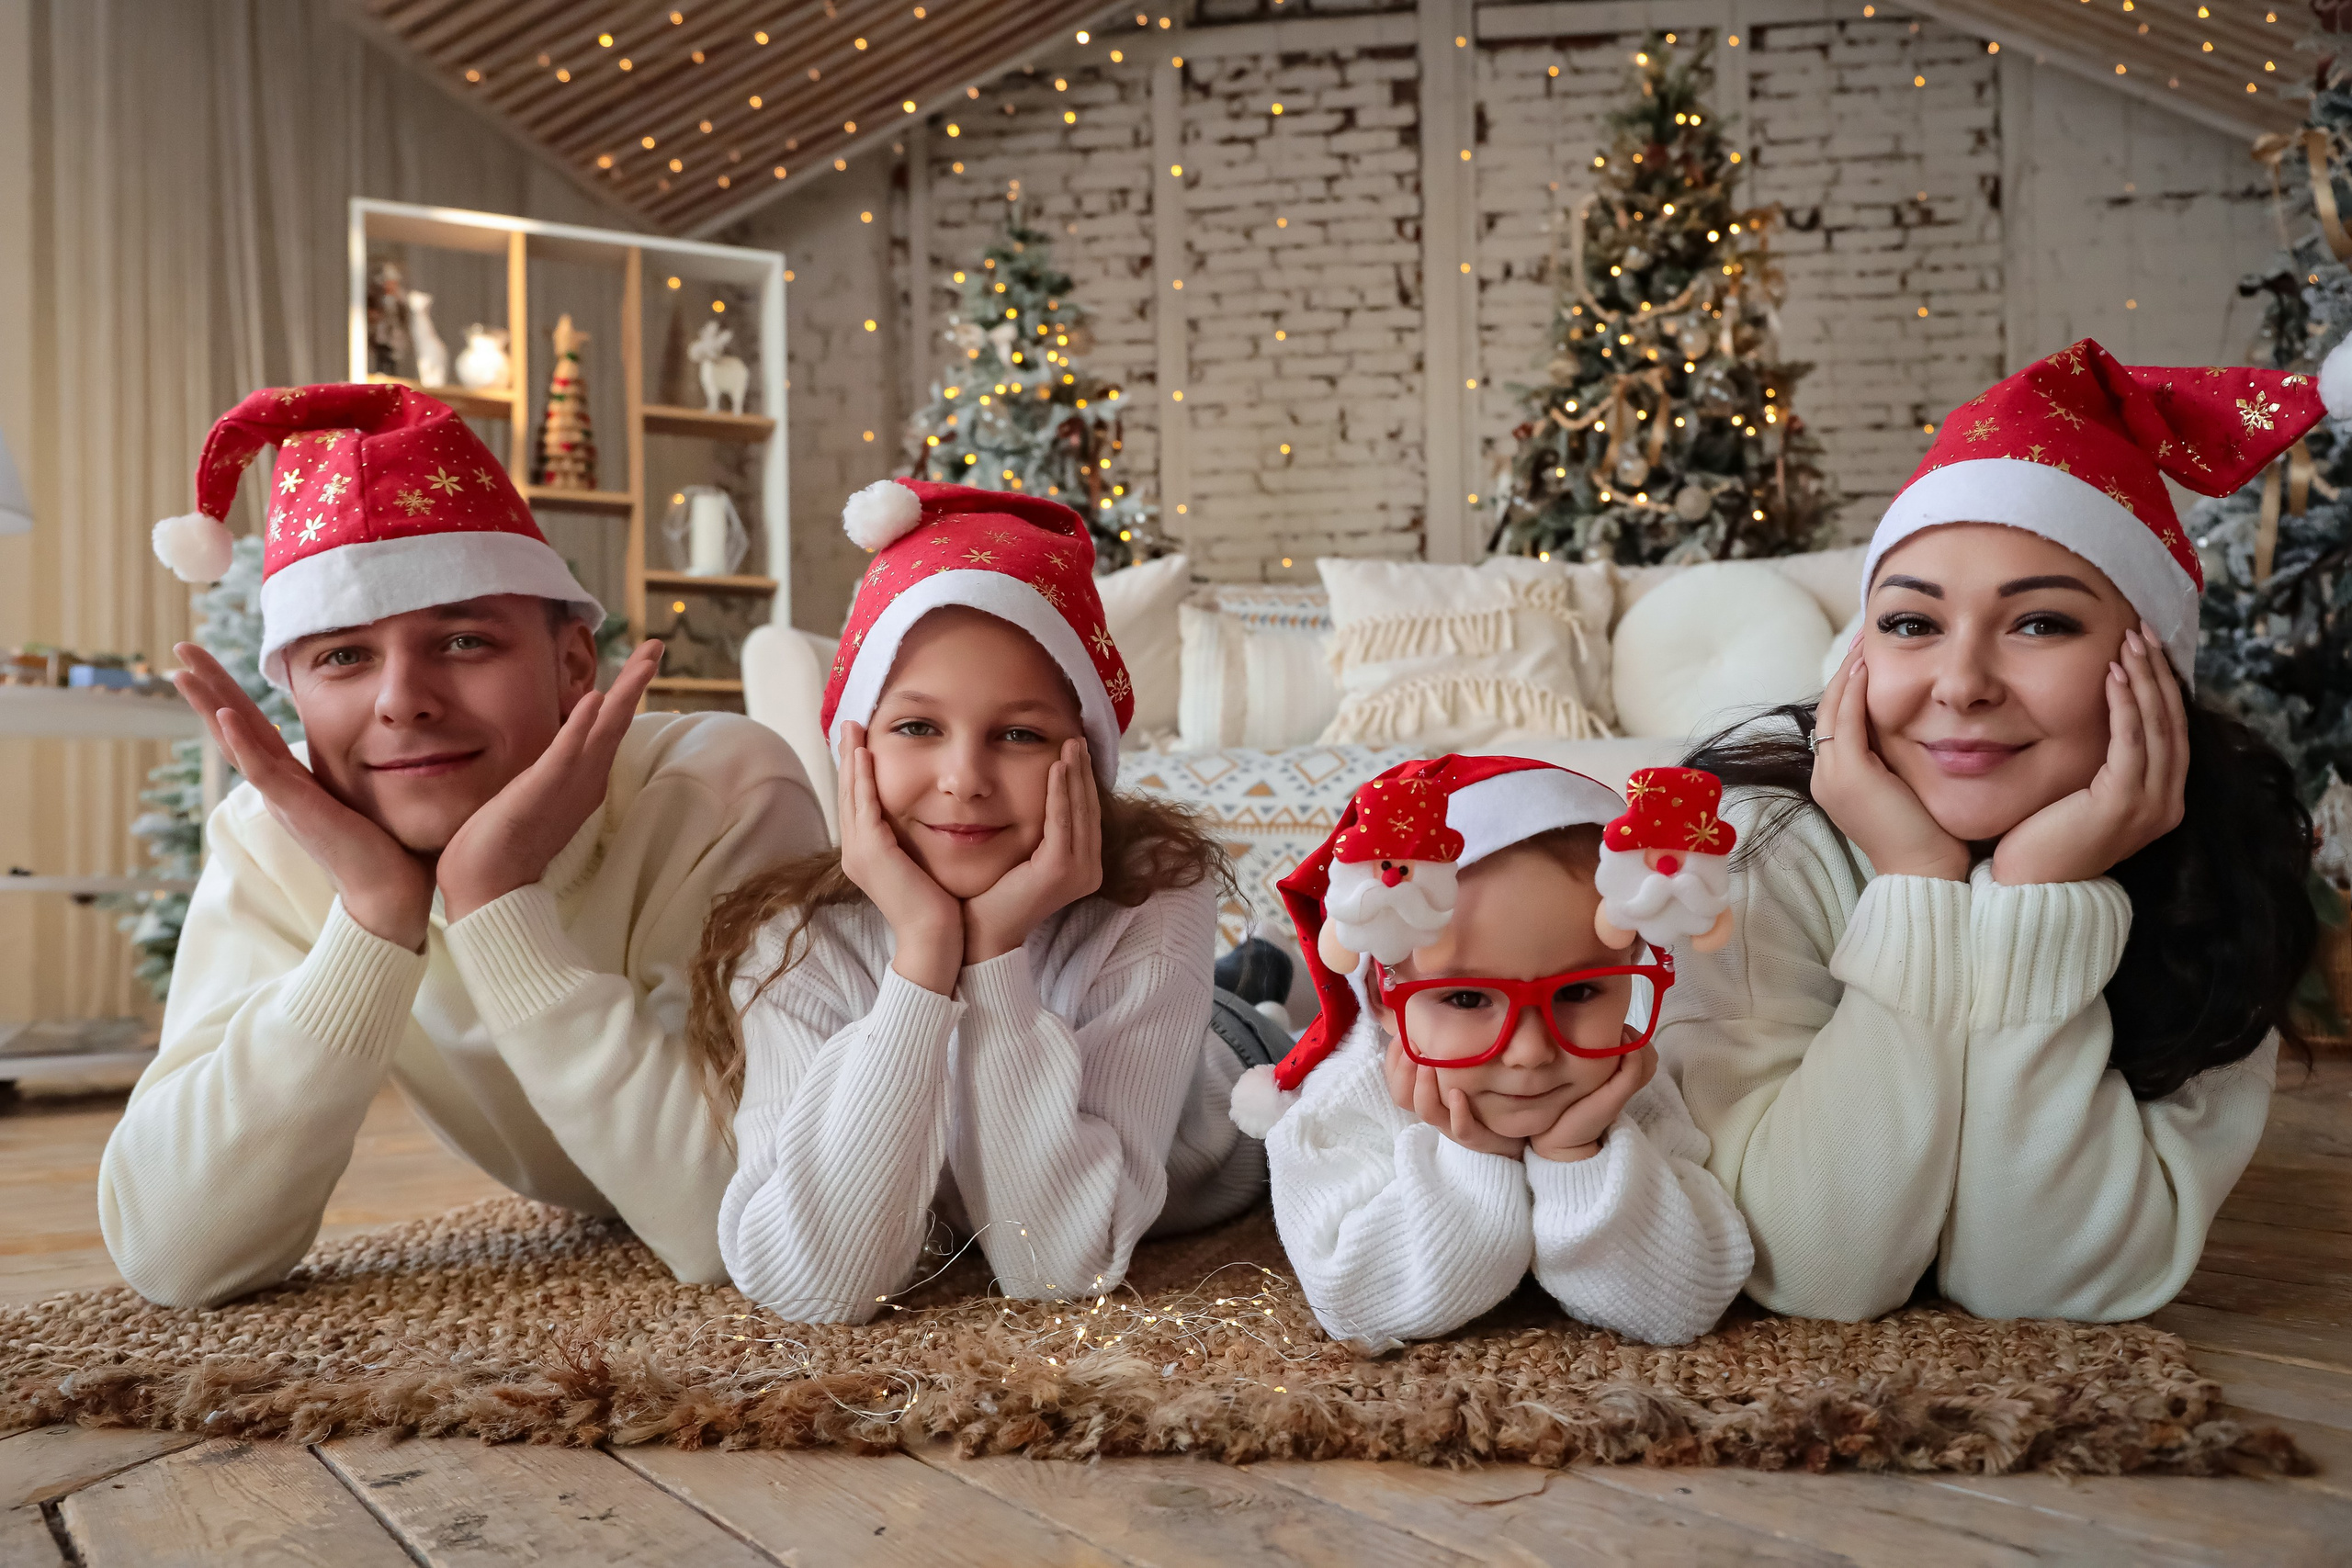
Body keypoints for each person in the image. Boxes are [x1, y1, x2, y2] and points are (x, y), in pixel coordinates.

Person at [1666, 337, 2344, 1321]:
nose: (1961, 683)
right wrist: (1915, 884)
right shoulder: (1758, 844)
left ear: (2155, 665)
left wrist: (2038, 896)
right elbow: (1812, 1268)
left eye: (2040, 625)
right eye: (1908, 623)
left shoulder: (2220, 875)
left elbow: (2044, 1286)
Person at [107, 382, 825, 1308]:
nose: (401, 700)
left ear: (573, 666)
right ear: (292, 691)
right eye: (342, 657)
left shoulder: (720, 790)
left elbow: (750, 1224)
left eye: (460, 640)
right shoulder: (271, 837)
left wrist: (494, 897)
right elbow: (173, 1256)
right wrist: (372, 917)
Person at [693, 479, 1275, 1324]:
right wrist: (926, 953)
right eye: (917, 728)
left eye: (1019, 734)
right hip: (1072, 995)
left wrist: (997, 952)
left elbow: (1055, 1262)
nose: (963, 779)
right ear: (853, 745)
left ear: (1086, 758)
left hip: (1223, 1058)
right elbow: (816, 1282)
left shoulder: (1152, 891)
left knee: (1260, 1000)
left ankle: (1262, 975)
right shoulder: (795, 939)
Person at [1234, 756, 1752, 1351]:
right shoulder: (1337, 1111)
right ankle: (1262, 983)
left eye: (1579, 991)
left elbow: (1684, 1301)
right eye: (1466, 997)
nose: (1532, 1051)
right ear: (1383, 993)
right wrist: (1472, 1156)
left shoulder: (1624, 1081)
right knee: (1254, 1023)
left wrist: (1576, 1155)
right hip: (1251, 1033)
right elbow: (1357, 1307)